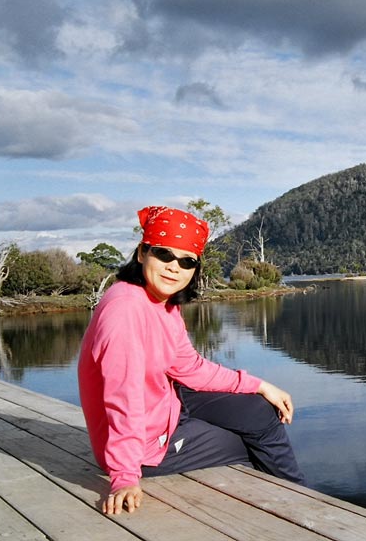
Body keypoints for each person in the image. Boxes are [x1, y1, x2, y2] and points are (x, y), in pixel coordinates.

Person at [78, 206, 304, 515]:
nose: (174, 267)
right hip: (144, 447)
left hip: (167, 408)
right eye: (164, 255)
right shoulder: (126, 310)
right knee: (246, 443)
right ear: (142, 253)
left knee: (260, 411)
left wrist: (260, 385)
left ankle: (298, 496)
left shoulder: (161, 302)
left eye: (187, 261)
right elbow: (123, 398)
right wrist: (124, 477)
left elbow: (189, 367)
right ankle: (302, 509)